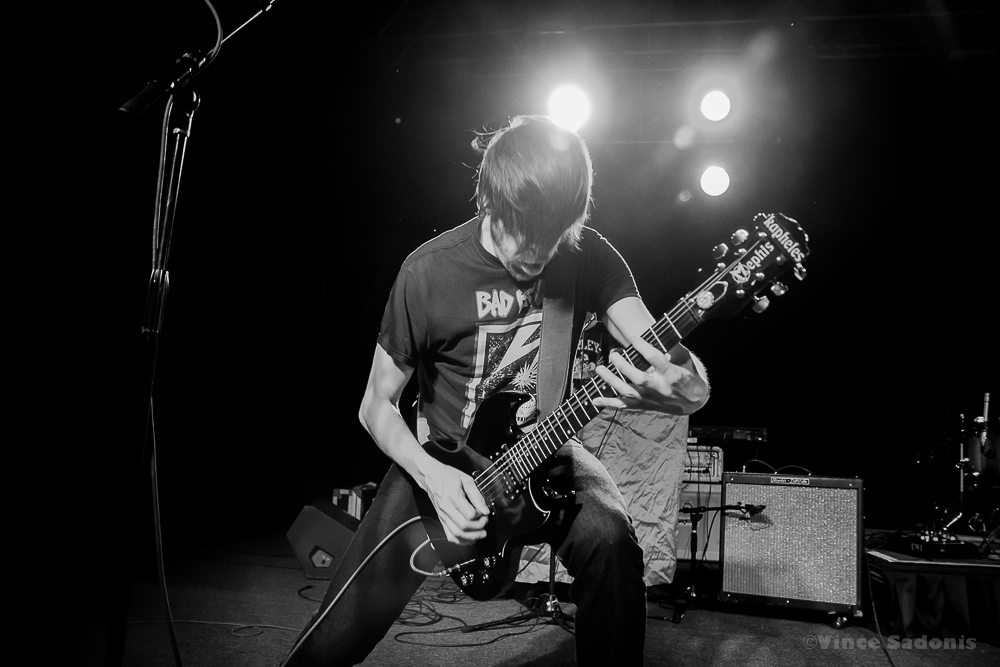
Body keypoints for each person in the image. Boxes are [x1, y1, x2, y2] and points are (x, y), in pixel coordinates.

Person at [282, 115, 710, 667]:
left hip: (544, 448)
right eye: (521, 234)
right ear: (488, 199)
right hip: (441, 463)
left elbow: (664, 356)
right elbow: (375, 406)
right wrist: (431, 476)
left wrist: (688, 386)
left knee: (613, 542)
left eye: (552, 237)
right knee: (335, 636)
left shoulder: (589, 256)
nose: (535, 254)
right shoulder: (428, 272)